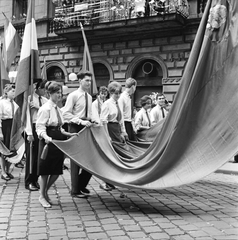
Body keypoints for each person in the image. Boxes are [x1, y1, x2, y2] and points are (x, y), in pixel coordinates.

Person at [36, 81, 76, 208]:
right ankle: (42, 196)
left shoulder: (58, 109)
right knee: (45, 170)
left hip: (58, 141)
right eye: (57, 93)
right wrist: (46, 137)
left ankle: (44, 192)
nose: (60, 95)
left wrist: (68, 134)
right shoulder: (45, 109)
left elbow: (60, 127)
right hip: (48, 141)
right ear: (49, 94)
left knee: (56, 170)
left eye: (60, 93)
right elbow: (40, 127)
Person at [62, 70, 98, 198]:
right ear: (80, 81)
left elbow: (87, 113)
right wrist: (80, 121)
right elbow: (66, 113)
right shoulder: (73, 95)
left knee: (91, 158)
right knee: (76, 160)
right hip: (75, 128)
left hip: (86, 127)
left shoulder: (89, 96)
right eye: (86, 80)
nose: (89, 83)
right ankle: (75, 190)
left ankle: (81, 184)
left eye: (90, 80)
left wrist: (91, 120)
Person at [100, 81, 127, 191]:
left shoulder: (118, 103)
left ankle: (111, 180)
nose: (118, 95)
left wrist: (123, 132)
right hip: (110, 129)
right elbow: (103, 120)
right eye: (116, 93)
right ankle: (104, 181)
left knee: (117, 156)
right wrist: (107, 136)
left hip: (116, 130)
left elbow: (121, 119)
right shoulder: (107, 104)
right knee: (110, 156)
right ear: (111, 93)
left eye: (119, 92)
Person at [24, 80, 48, 191]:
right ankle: (29, 180)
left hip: (42, 128)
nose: (45, 91)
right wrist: (29, 133)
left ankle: (35, 179)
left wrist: (38, 107)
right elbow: (26, 117)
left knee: (40, 156)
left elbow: (47, 113)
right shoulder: (29, 99)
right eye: (43, 88)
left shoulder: (45, 100)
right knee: (32, 156)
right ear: (37, 88)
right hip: (32, 127)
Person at [0, 84, 18, 181]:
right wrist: (0, 132)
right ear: (6, 92)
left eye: (15, 91)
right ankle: (3, 172)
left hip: (13, 126)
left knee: (11, 150)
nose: (14, 93)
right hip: (5, 126)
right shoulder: (2, 103)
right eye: (12, 91)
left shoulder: (14, 103)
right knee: (4, 150)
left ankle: (7, 170)